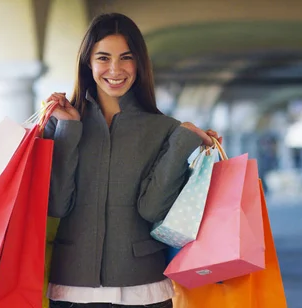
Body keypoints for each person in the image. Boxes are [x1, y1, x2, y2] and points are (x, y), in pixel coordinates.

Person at [43, 13, 221, 307]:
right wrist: (68, 129)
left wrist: (183, 140)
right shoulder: (61, 123)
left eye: (126, 57)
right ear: (88, 62)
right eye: (103, 57)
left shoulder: (166, 129)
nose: (115, 69)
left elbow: (151, 209)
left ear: (138, 63)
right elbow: (58, 204)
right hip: (72, 288)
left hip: (146, 289)